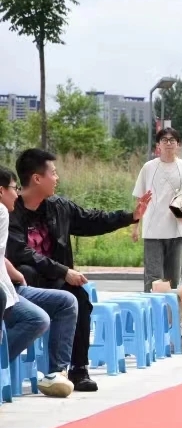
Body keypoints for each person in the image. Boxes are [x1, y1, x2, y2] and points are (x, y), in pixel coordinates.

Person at [7, 149, 151, 392]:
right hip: (25, 285)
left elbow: (92, 219)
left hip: (55, 280)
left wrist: (130, 217)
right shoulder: (12, 211)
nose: (57, 178)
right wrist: (64, 271)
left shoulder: (59, 207)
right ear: (37, 178)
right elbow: (20, 252)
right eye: (53, 173)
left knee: (80, 298)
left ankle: (77, 369)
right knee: (30, 273)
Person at [0, 166, 78, 397]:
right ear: (1, 191)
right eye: (13, 188)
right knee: (36, 319)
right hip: (4, 293)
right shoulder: (2, 212)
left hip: (11, 287)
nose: (17, 194)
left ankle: (57, 374)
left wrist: (12, 271)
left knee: (66, 302)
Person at [132, 127, 182, 292]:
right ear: (158, 145)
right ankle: (152, 309)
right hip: (153, 232)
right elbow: (140, 200)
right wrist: (135, 227)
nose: (168, 143)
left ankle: (171, 310)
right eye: (164, 140)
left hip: (177, 230)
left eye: (172, 140)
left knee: (174, 281)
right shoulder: (148, 167)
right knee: (153, 280)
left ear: (178, 144)